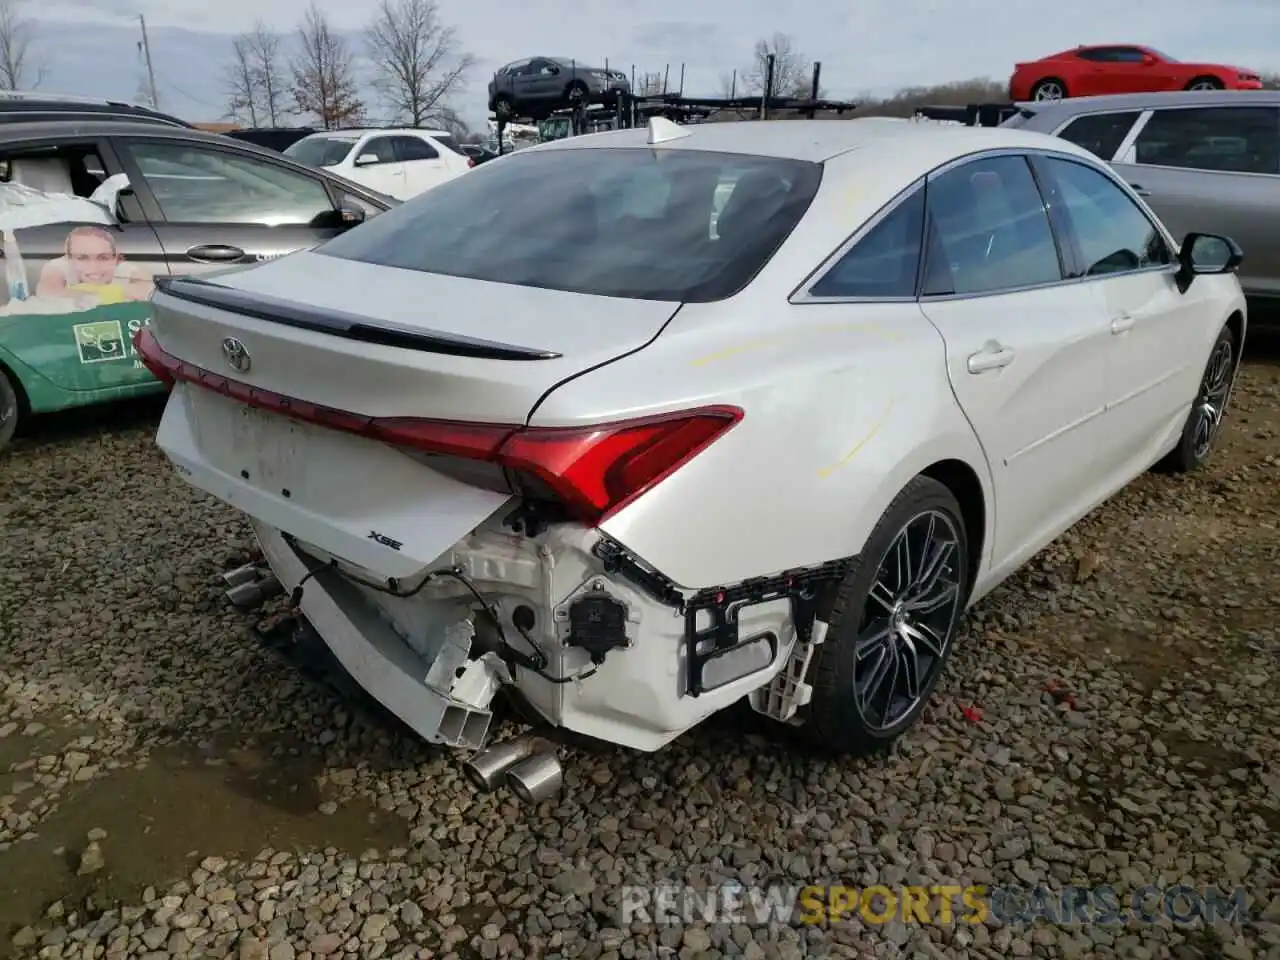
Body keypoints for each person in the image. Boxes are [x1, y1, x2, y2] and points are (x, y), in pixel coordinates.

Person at [35, 226, 153, 304]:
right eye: (82, 258)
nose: (94, 267)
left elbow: (151, 293)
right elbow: (47, 294)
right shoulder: (59, 267)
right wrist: (116, 294)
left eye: (103, 258)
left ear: (116, 259)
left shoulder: (126, 270)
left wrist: (79, 294)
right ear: (68, 259)